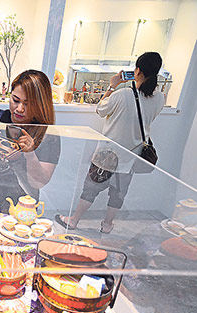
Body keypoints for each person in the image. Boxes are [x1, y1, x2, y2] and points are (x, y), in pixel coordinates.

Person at [56, 52, 165, 234]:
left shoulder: (122, 94)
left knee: (90, 188)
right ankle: (107, 225)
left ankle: (74, 220)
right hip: (132, 156)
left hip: (107, 155)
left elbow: (100, 109)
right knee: (118, 193)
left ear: (137, 70)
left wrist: (112, 86)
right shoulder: (160, 98)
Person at [0, 69, 60, 212]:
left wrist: (30, 153)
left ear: (41, 105)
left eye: (28, 104)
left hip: (19, 205)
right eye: (15, 100)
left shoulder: (48, 135)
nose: (19, 109)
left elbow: (38, 182)